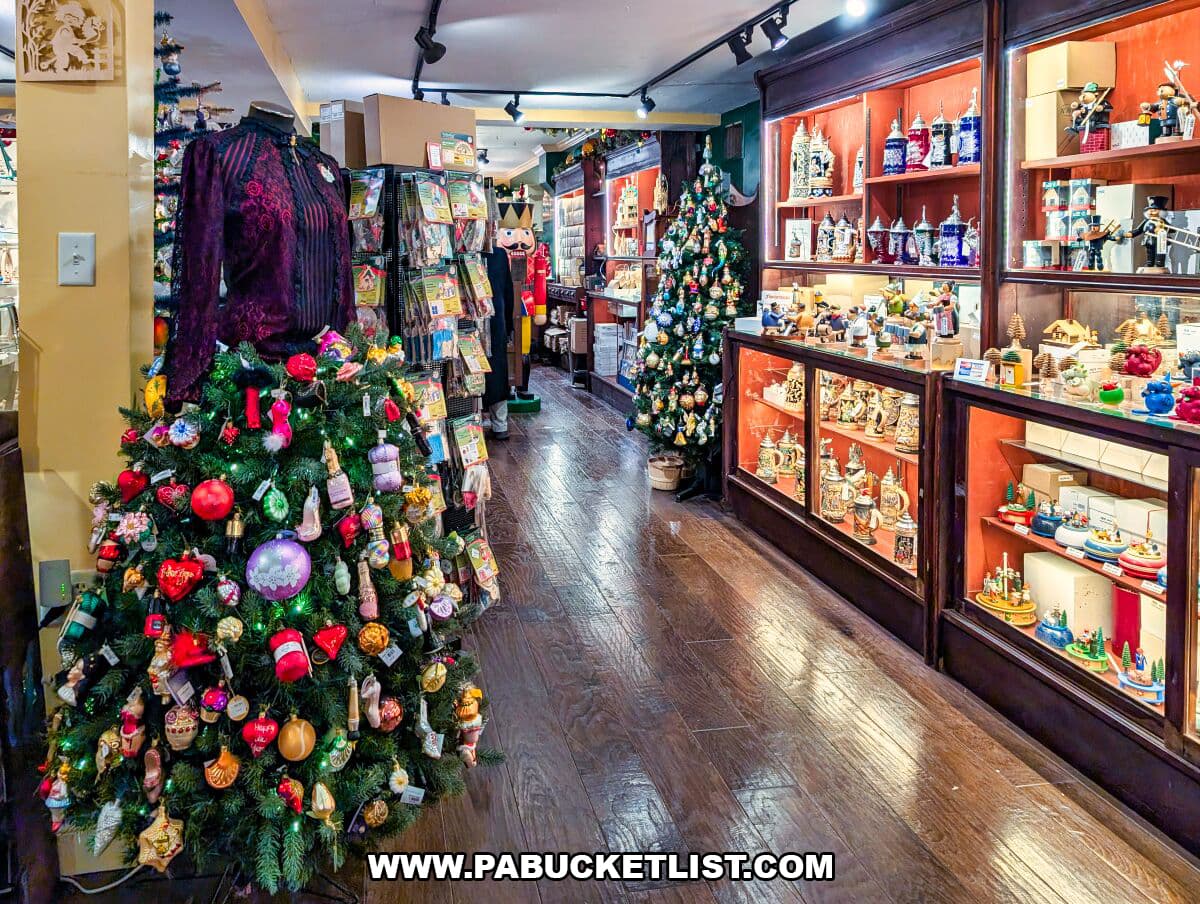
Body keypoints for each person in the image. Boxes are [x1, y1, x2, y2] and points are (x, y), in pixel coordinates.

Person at [483, 246, 515, 440]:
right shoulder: (499, 255)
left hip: (465, 320)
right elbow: (508, 292)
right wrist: (508, 326)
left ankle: (471, 423)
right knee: (497, 368)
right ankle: (499, 423)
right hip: (496, 321)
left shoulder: (456, 254)